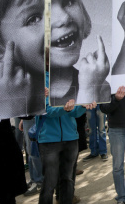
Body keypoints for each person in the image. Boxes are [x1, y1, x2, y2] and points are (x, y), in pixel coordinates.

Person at [37, 70, 97, 204]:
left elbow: (75, 113)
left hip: (71, 138)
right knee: (49, 184)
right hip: (49, 140)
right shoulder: (39, 79)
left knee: (68, 181)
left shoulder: (71, 77)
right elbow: (46, 111)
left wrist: (82, 106)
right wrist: (64, 109)